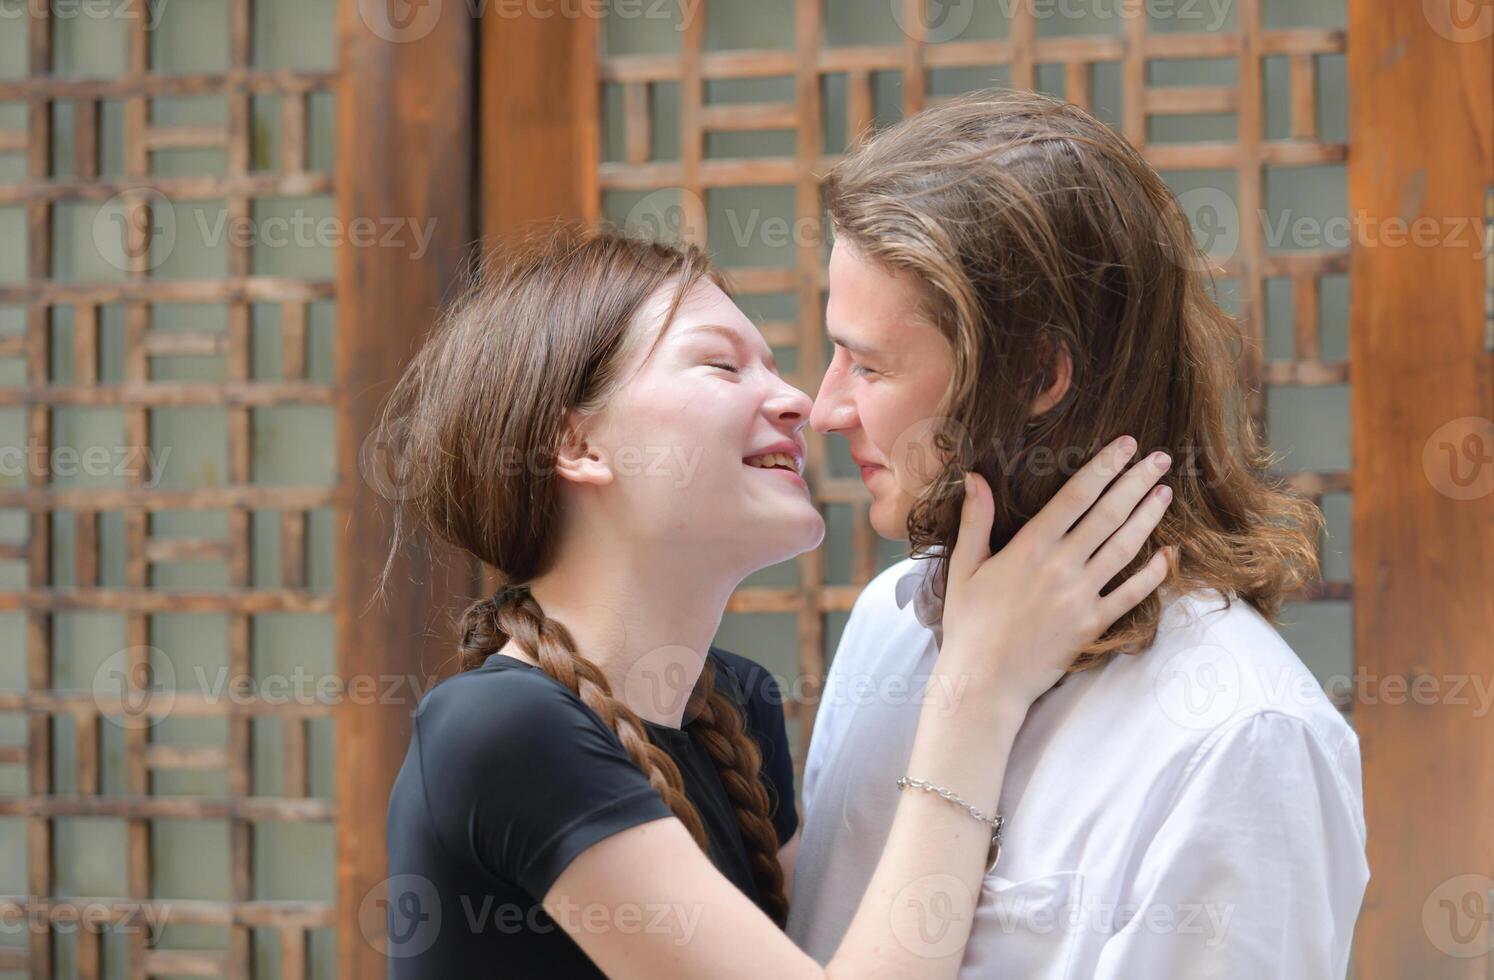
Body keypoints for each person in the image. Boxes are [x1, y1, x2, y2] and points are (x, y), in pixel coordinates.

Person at [377, 224, 1175, 978]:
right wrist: (978, 688)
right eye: (722, 366)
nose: (799, 400)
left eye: (771, 364)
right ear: (578, 444)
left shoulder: (739, 708)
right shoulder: (503, 733)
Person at [787, 87, 1370, 978]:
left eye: (868, 365)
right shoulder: (889, 621)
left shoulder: (1241, 732)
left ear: (1036, 374)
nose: (825, 410)